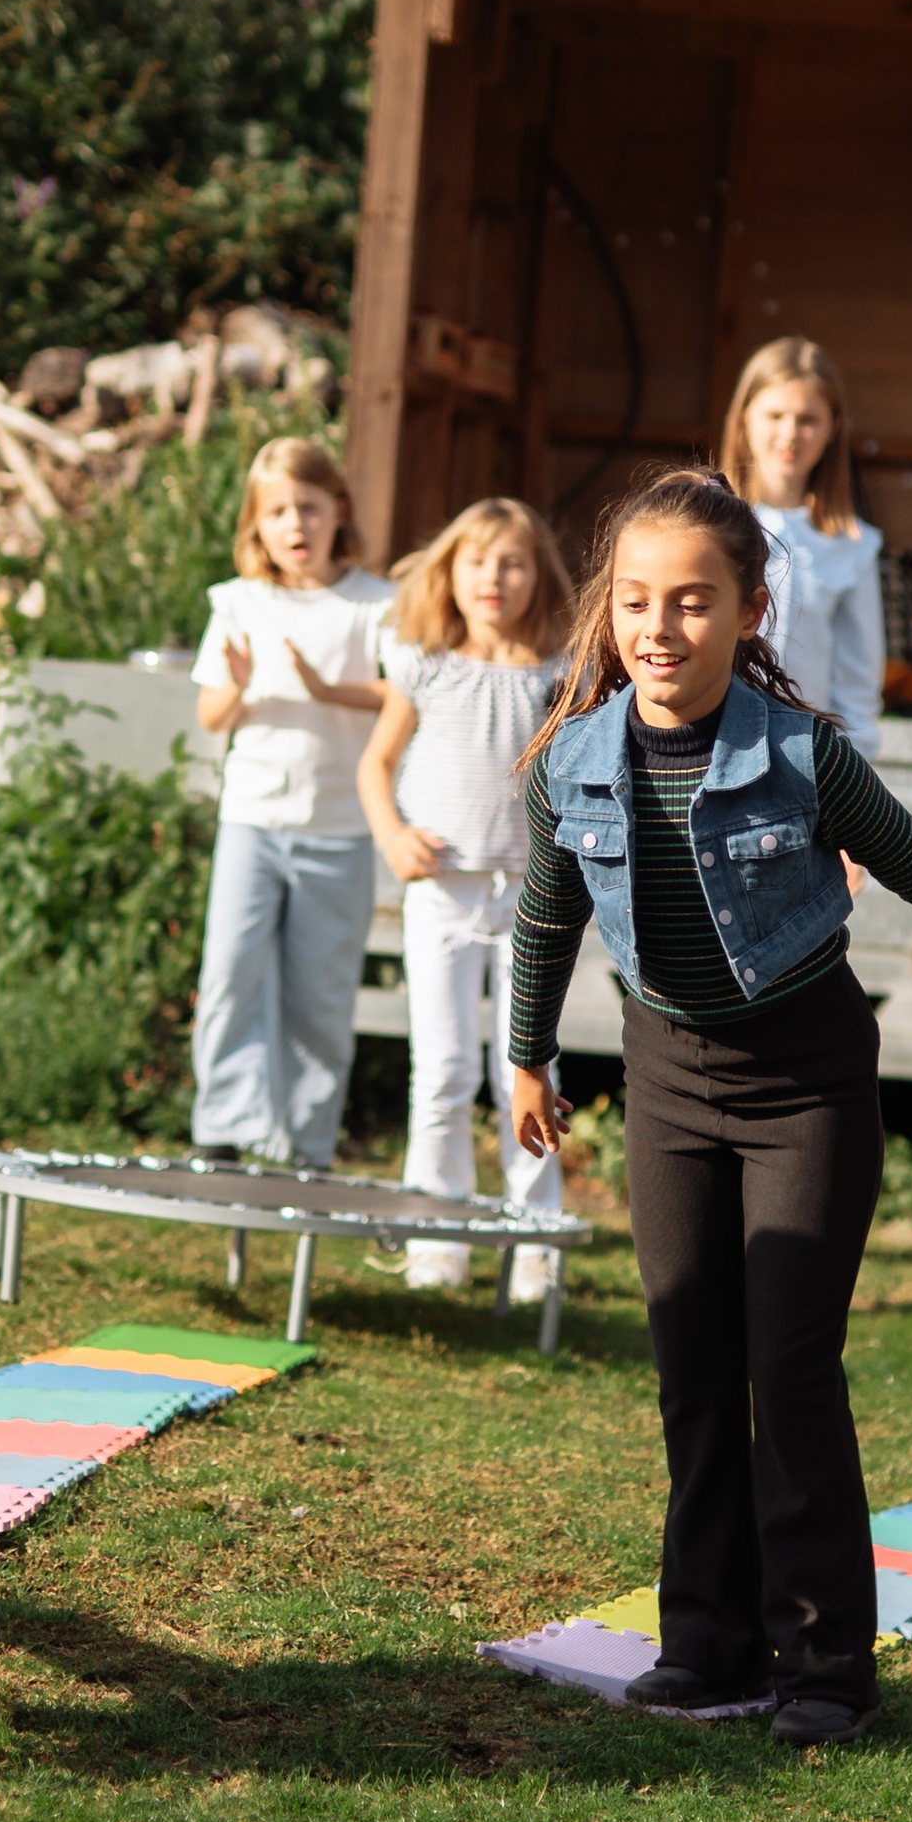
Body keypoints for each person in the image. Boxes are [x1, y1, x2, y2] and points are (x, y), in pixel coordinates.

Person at [509, 468, 912, 1751]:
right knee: (694, 1366)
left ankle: (826, 1669)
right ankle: (707, 1642)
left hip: (804, 1081)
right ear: (609, 612)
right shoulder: (568, 762)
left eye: (692, 603)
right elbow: (544, 917)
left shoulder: (800, 755)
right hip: (666, 1084)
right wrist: (528, 1061)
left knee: (786, 1369)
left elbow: (910, 854)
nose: (659, 628)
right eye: (636, 601)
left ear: (749, 610)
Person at [357, 495, 574, 1292]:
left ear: (536, 576)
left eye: (513, 562)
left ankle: (534, 1247)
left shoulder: (559, 674)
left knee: (528, 1070)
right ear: (450, 570)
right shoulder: (426, 662)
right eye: (479, 561)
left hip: (531, 901)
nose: (495, 577)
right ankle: (435, 1241)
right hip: (443, 894)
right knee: (443, 1068)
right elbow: (376, 765)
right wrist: (393, 836)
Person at [189, 435, 393, 1167]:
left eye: (307, 507)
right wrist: (239, 683)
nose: (294, 526)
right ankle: (224, 1129)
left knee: (322, 994)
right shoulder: (239, 602)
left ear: (338, 510)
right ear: (257, 526)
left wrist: (326, 691)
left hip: (338, 827)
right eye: (276, 512)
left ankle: (308, 1144)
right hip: (252, 819)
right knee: (229, 975)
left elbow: (402, 695)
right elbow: (213, 714)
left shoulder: (377, 603)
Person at [717, 334, 886, 751]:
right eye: (774, 415)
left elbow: (858, 685)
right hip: (707, 747)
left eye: (808, 419)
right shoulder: (705, 525)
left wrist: (849, 775)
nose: (790, 433)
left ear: (832, 429)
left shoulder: (852, 545)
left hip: (799, 760)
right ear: (744, 418)